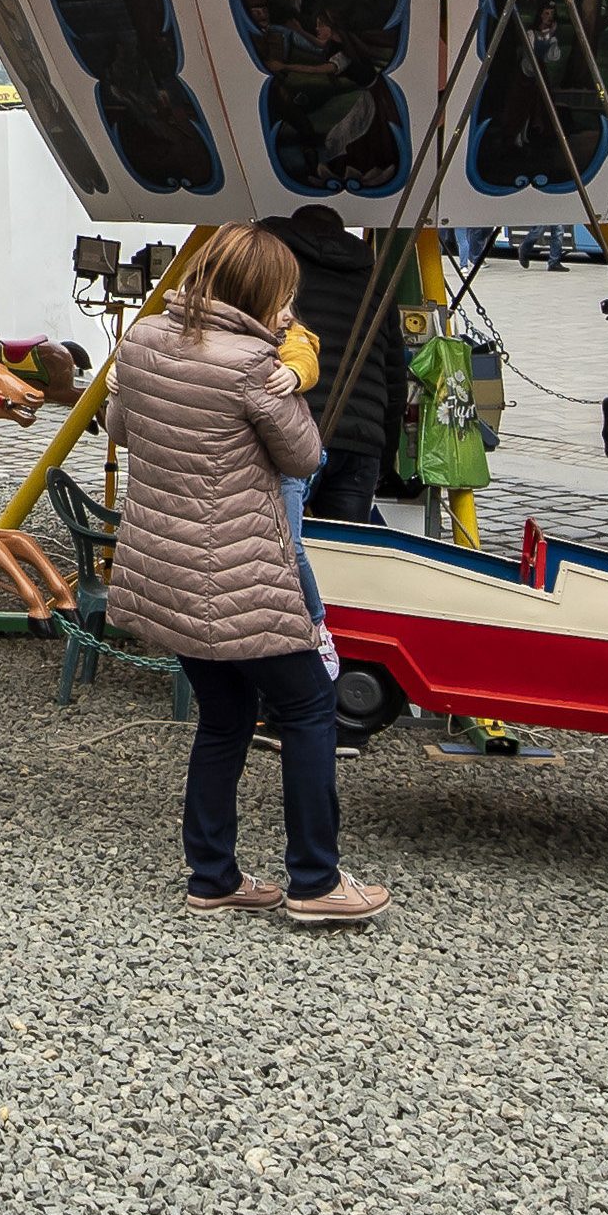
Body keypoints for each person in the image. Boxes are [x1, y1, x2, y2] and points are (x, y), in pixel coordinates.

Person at [110, 223, 385, 926]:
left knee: (224, 717)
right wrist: (281, 382)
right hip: (241, 575)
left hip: (164, 569)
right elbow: (303, 456)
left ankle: (212, 875)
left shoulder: (140, 341)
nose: (288, 311)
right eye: (283, 296)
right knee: (309, 703)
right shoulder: (253, 365)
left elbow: (117, 423)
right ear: (256, 293)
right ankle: (315, 880)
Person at [271, 204, 403, 520]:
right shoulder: (375, 283)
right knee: (347, 546)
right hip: (362, 440)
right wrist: (384, 457)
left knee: (282, 542)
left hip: (296, 434)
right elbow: (395, 377)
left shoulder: (278, 275)